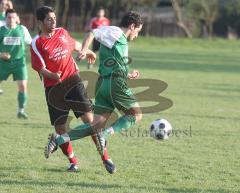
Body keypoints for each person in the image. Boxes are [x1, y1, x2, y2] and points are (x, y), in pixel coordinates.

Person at [46, 11, 143, 168]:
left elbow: (115, 64)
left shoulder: (118, 39)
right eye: (138, 30)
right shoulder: (116, 32)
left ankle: (58, 140)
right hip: (115, 84)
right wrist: (84, 49)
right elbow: (92, 32)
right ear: (132, 26)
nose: (137, 35)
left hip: (104, 84)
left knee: (94, 126)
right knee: (136, 115)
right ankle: (104, 135)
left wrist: (128, 74)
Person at [30, 6, 116, 173]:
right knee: (60, 128)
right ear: (40, 22)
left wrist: (88, 51)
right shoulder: (37, 43)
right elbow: (40, 68)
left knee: (90, 121)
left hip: (73, 81)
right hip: (53, 88)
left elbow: (75, 44)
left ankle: (106, 158)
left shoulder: (62, 32)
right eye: (49, 19)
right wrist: (52, 75)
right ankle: (73, 162)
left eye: (54, 18)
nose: (53, 21)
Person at [0, 8, 31, 119]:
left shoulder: (22, 29)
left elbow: (31, 44)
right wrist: (1, 54)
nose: (11, 20)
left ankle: (21, 110)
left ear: (17, 18)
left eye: (13, 17)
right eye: (9, 17)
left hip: (19, 63)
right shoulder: (1, 30)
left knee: (23, 86)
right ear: (5, 18)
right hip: (3, 64)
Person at [0, 0, 13, 94]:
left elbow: (17, 22)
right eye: (3, 4)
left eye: (6, 4)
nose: (5, 6)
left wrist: (10, 6)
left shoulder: (8, 16)